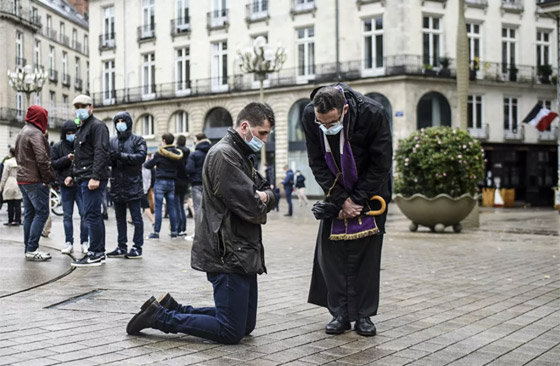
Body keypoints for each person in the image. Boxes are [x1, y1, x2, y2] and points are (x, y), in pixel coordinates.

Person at [126, 102, 276, 345]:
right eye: (262, 133)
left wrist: (265, 195)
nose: (264, 140)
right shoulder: (224, 155)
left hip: (243, 248)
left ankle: (174, 307)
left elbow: (268, 192)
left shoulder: (241, 155)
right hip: (228, 251)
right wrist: (262, 197)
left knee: (245, 325)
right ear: (245, 127)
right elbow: (254, 206)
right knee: (230, 331)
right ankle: (159, 317)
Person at [302, 84, 392, 337]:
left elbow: (381, 162)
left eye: (332, 123)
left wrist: (358, 200)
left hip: (371, 193)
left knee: (367, 256)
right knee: (331, 256)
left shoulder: (373, 113)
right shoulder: (311, 115)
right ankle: (339, 313)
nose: (327, 128)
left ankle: (364, 315)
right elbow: (316, 161)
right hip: (335, 192)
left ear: (344, 109)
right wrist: (341, 200)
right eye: (322, 123)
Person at [65, 94, 110, 267]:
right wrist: (72, 174)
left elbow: (101, 152)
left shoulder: (97, 126)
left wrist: (95, 176)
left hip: (92, 177)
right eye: (76, 106)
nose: (79, 109)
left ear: (91, 107)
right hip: (84, 176)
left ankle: (96, 253)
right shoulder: (82, 127)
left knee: (91, 215)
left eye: (83, 106)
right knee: (92, 215)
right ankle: (98, 252)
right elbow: (79, 155)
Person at [15, 105, 56, 261]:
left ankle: (28, 248)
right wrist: (48, 179)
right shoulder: (35, 133)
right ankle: (32, 249)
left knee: (30, 214)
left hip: (23, 179)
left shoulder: (22, 132)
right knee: (42, 212)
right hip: (35, 180)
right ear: (40, 117)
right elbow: (42, 159)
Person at [107, 112, 147, 259]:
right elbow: (106, 158)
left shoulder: (138, 140)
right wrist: (110, 159)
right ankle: (121, 246)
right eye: (118, 121)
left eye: (123, 120)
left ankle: (137, 247)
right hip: (117, 184)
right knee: (119, 219)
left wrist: (121, 156)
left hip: (133, 185)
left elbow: (140, 157)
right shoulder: (112, 141)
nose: (120, 123)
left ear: (129, 122)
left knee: (136, 219)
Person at [51, 120, 89, 254]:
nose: (71, 135)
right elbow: (53, 164)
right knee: (67, 215)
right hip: (65, 186)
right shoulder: (57, 147)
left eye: (73, 133)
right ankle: (69, 242)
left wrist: (72, 176)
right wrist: (67, 158)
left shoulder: (81, 145)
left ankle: (85, 241)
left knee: (84, 214)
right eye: (68, 133)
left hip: (79, 184)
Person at [143, 133, 183, 239]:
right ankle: (174, 231)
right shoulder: (176, 153)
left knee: (158, 208)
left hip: (160, 182)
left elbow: (148, 165)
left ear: (164, 140)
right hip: (172, 182)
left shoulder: (160, 153)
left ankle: (156, 232)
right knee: (172, 208)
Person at [185, 132, 211, 240]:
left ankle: (198, 234)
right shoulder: (212, 152)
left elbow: (189, 169)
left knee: (197, 209)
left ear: (197, 140)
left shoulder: (194, 154)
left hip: (197, 184)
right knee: (209, 209)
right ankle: (209, 233)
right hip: (209, 184)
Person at [1, 148, 22, 226]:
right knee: (17, 202)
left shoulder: (7, 162)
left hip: (9, 182)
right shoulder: (20, 161)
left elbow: (4, 175)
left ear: (10, 153)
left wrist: (1, 186)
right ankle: (18, 220)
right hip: (19, 181)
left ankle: (10, 220)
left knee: (10, 203)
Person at [174, 135, 190, 236]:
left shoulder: (176, 153)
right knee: (181, 205)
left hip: (177, 181)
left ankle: (178, 228)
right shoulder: (188, 153)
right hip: (185, 182)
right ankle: (183, 228)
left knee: (177, 206)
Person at [142, 155, 155, 227]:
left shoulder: (145, 166)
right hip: (144, 188)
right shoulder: (149, 166)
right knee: (145, 205)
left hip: (143, 188)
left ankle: (131, 219)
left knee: (142, 205)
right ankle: (153, 221)